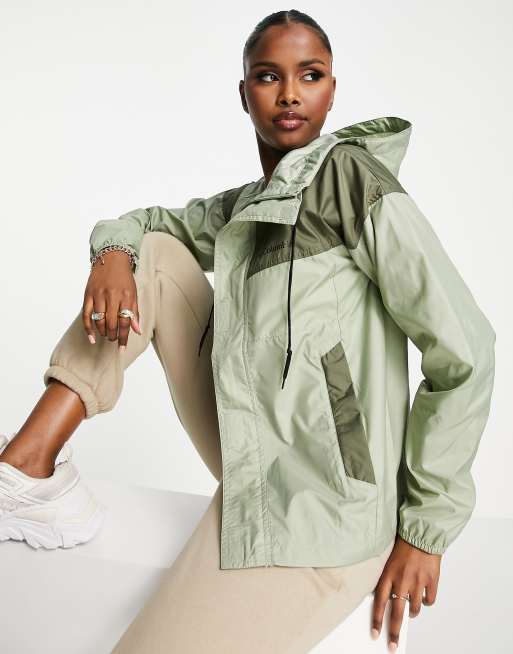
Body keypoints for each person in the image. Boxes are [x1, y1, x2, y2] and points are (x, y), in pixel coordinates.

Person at [0, 9, 496, 654]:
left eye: (309, 76)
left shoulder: (353, 182)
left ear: (332, 91)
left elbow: (466, 352)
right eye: (268, 76)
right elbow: (148, 225)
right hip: (259, 461)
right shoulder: (250, 207)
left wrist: (425, 532)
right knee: (152, 253)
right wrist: (111, 256)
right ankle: (26, 468)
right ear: (244, 94)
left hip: (331, 509)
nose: (289, 94)